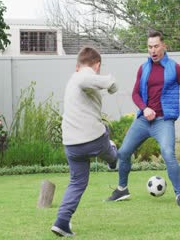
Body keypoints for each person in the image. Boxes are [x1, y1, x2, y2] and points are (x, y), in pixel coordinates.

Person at [106, 31, 180, 207]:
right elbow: (135, 94)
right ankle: (122, 189)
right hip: (143, 120)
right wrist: (144, 108)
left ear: (164, 46)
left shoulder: (174, 68)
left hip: (163, 121)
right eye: (150, 47)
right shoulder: (144, 68)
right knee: (124, 152)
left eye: (156, 46)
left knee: (168, 153)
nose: (153, 50)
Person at [51, 46, 118, 237]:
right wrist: (111, 82)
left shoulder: (73, 79)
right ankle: (113, 159)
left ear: (76, 64)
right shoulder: (81, 76)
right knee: (109, 149)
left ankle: (62, 221)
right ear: (97, 65)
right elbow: (89, 80)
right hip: (93, 139)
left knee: (77, 182)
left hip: (71, 144)